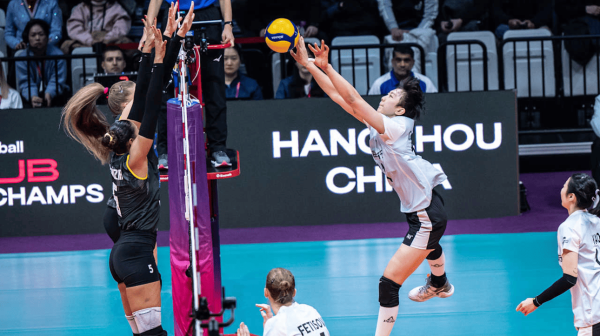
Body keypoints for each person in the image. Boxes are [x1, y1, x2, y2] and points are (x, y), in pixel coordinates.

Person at [290, 37, 453, 336]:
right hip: (423, 207)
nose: (385, 96)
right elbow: (340, 98)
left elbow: (353, 98)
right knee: (427, 246)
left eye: (391, 95)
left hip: (426, 214)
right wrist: (311, 65)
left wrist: (326, 65)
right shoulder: (381, 123)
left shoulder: (396, 126)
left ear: (400, 109)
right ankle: (440, 283)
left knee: (388, 284)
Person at [61, 23, 169, 336]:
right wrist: (158, 56)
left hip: (124, 252)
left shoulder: (120, 145)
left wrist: (156, 49)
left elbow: (146, 96)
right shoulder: (137, 155)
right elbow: (151, 104)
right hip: (134, 251)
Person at [517, 173, 600, 335]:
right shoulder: (596, 220)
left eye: (564, 186)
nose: (560, 189)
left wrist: (536, 302)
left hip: (592, 316)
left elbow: (569, 278)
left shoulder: (569, 227)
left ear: (571, 197)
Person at [156, 0, 234, 168]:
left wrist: (228, 25)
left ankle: (218, 148)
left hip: (208, 15)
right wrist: (147, 30)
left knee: (214, 87)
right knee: (166, 87)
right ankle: (165, 151)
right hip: (173, 14)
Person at [235, 268, 331, 336]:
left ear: (266, 292)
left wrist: (272, 326)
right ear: (294, 292)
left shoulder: (277, 324)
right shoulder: (310, 310)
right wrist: (270, 326)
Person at [15, 19, 69, 108]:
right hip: (30, 97)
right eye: (33, 35)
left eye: (41, 34)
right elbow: (25, 83)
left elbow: (58, 80)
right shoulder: (22, 58)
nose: (37, 38)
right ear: (27, 38)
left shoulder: (58, 55)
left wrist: (49, 93)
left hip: (56, 96)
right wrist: (33, 96)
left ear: (47, 37)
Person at [62, 0, 131, 55]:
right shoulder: (80, 8)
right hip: (85, 43)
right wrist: (90, 40)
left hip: (110, 43)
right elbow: (74, 29)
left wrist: (106, 39)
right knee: (66, 45)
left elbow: (121, 28)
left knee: (128, 44)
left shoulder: (117, 8)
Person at [369, 45, 437, 95]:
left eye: (406, 60)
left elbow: (434, 104)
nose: (402, 64)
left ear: (413, 62)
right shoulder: (379, 84)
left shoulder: (425, 82)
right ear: (392, 62)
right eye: (398, 60)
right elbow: (370, 108)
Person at [319, 0, 386, 39]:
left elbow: (376, 9)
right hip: (341, 31)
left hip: (366, 29)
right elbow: (326, 12)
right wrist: (339, 6)